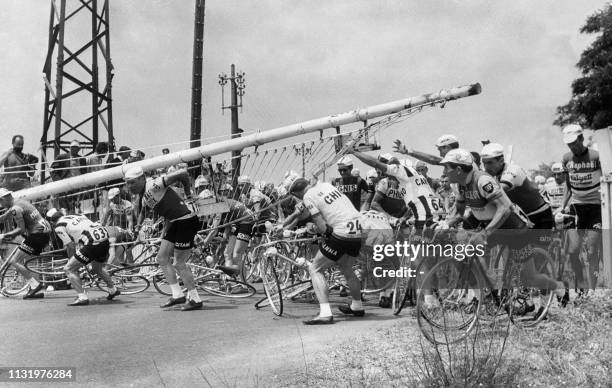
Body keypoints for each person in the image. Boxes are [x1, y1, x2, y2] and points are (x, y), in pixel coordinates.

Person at [441, 149, 564, 316]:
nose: (444, 171)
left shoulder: (483, 180)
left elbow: (505, 208)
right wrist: (447, 224)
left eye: (447, 167)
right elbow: (459, 210)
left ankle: (558, 288)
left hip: (513, 230)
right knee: (460, 253)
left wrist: (484, 233)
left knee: (531, 277)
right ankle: (485, 297)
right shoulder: (460, 185)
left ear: (458, 170)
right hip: (493, 228)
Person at [124, 166, 203, 311]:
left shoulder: (153, 184)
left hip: (186, 220)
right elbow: (143, 210)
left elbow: (182, 174)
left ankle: (195, 299)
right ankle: (177, 295)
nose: (129, 186)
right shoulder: (143, 197)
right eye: (127, 183)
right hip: (174, 222)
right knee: (161, 258)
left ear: (142, 179)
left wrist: (188, 194)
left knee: (179, 263)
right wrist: (139, 225)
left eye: (133, 182)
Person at [287, 178, 364, 325]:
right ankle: (357, 305)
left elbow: (321, 226)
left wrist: (326, 233)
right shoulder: (327, 185)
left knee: (315, 268)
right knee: (346, 268)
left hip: (342, 231)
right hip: (357, 229)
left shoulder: (308, 196)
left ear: (297, 193)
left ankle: (325, 313)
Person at [560, 124, 602, 292]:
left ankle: (592, 290)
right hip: (576, 207)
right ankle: (581, 288)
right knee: (573, 250)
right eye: (569, 144)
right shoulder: (566, 158)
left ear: (582, 139)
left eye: (575, 142)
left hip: (595, 207)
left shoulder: (596, 156)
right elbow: (568, 185)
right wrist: (562, 207)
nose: (572, 147)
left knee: (592, 251)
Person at [47, 209, 119, 306]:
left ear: (52, 222)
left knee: (69, 269)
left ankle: (82, 297)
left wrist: (71, 260)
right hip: (104, 239)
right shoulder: (77, 215)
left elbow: (70, 245)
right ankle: (113, 290)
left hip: (92, 242)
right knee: (97, 268)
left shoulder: (58, 226)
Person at [480, 143, 553, 238]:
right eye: (484, 163)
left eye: (489, 163)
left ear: (501, 160)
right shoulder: (494, 173)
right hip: (522, 217)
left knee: (539, 248)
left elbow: (499, 190)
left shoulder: (513, 170)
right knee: (518, 249)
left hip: (539, 214)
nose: (486, 167)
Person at [0, 189, 51, 299]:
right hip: (45, 233)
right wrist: (4, 216)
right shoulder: (21, 201)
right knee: (29, 261)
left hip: (37, 234)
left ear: (4, 199)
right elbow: (9, 212)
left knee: (14, 261)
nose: (1, 205)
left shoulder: (15, 209)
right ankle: (35, 291)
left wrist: (4, 235)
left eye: (0, 202)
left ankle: (35, 285)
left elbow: (21, 230)